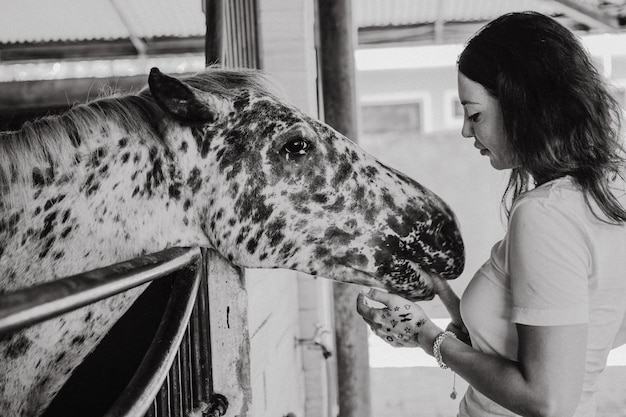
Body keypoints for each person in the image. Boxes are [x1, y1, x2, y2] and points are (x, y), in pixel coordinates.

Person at [356, 11, 626, 417]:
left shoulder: (546, 215)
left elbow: (546, 400)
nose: (466, 130)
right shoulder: (605, 193)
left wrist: (425, 337)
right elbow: (585, 337)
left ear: (524, 105)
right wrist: (447, 301)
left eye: (475, 113)